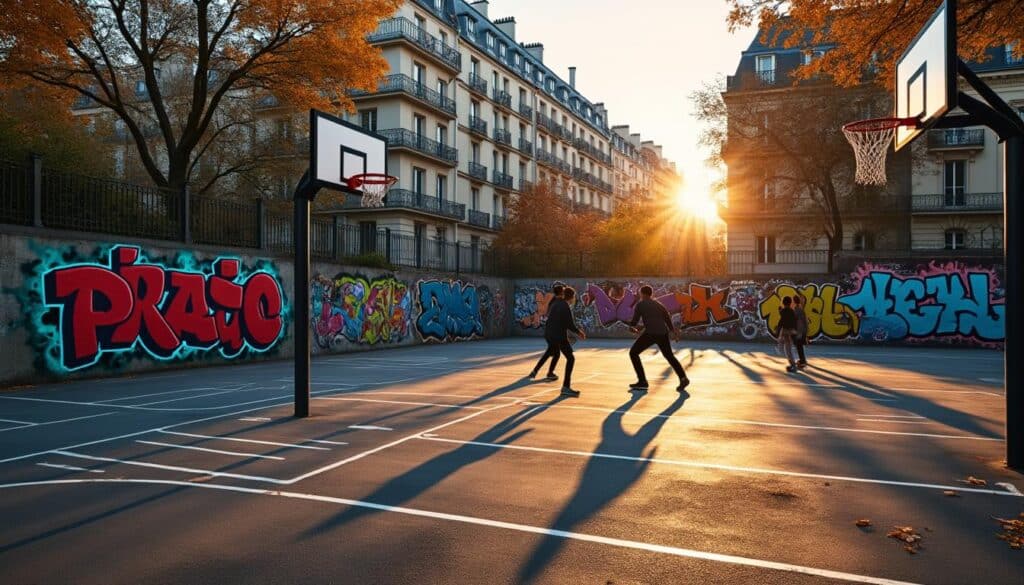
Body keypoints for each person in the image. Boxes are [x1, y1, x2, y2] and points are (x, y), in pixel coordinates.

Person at [627, 285, 690, 393]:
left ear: (642, 294)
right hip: (663, 333)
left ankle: (642, 382)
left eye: (640, 293)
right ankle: (683, 378)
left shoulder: (640, 305)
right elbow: (666, 317)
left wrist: (630, 326)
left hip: (651, 333)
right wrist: (672, 331)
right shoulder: (658, 304)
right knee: (669, 356)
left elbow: (634, 322)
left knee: (633, 353)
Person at [543, 286, 586, 397]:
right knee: (570, 358)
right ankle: (566, 387)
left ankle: (561, 382)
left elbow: (557, 321)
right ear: (571, 297)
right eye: (574, 297)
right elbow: (569, 324)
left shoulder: (557, 303)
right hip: (558, 336)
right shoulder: (565, 306)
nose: (573, 300)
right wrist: (579, 332)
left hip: (551, 335)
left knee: (563, 355)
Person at [529, 284, 564, 380]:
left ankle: (535, 371)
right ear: (561, 292)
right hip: (553, 333)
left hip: (549, 332)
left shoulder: (553, 302)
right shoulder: (559, 303)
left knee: (549, 353)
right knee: (555, 354)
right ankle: (549, 373)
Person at [777, 296, 799, 373]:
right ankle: (792, 364)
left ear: (783, 303)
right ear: (790, 303)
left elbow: (782, 321)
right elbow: (793, 320)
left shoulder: (784, 311)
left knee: (788, 349)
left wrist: (778, 330)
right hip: (791, 331)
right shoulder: (792, 311)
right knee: (788, 348)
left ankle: (793, 365)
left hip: (786, 331)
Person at [792, 295, 809, 369]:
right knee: (799, 346)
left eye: (792, 301)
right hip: (802, 330)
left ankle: (802, 361)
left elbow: (799, 322)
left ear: (794, 302)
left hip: (800, 331)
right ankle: (802, 360)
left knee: (799, 346)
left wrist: (799, 333)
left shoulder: (797, 310)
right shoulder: (800, 309)